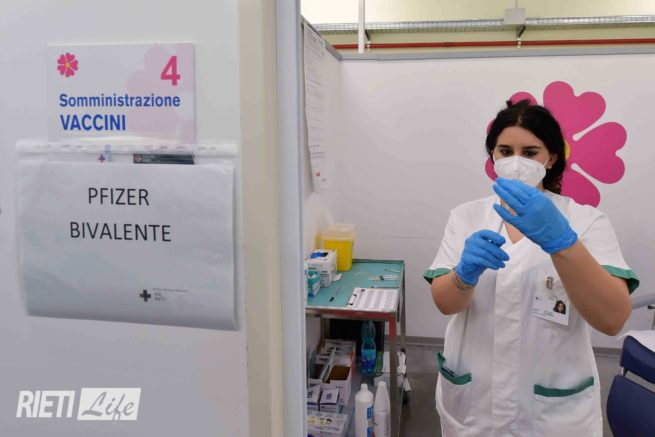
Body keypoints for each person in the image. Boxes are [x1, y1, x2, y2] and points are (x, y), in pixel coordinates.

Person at [423, 100, 639, 437]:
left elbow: (612, 320)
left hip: (551, 414)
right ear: (493, 156)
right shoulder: (466, 217)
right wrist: (464, 275)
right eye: (505, 151)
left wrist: (563, 243)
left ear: (550, 158)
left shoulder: (586, 221)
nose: (516, 163)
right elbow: (445, 303)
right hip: (476, 405)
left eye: (530, 152)